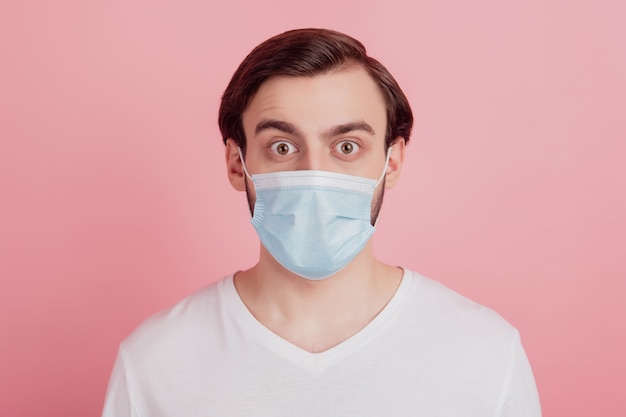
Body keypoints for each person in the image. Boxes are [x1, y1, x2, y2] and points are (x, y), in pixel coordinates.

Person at [102, 28, 541, 416]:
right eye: (282, 147)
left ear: (392, 162)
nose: (314, 175)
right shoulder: (154, 362)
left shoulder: (485, 353)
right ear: (238, 164)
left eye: (347, 147)